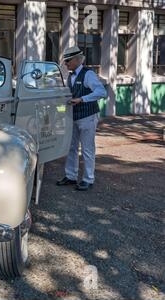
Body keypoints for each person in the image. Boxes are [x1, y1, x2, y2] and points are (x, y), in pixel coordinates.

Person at [56, 46, 108, 191]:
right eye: (65, 61)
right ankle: (71, 176)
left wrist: (82, 99)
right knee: (71, 147)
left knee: (87, 148)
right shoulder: (70, 77)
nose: (66, 64)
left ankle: (88, 179)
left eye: (68, 61)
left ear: (78, 60)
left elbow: (101, 92)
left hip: (87, 116)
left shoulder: (88, 74)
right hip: (73, 116)